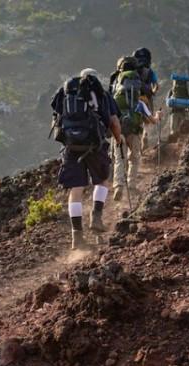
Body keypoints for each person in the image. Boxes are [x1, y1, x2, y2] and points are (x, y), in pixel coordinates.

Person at [51, 69, 123, 250]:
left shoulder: (66, 93)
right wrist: (119, 140)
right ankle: (96, 216)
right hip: (94, 145)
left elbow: (56, 117)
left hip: (71, 147)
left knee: (75, 190)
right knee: (102, 181)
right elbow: (114, 121)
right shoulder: (102, 94)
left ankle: (77, 237)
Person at [111, 56, 158, 202]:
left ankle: (118, 185)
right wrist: (158, 115)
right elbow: (152, 121)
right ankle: (131, 185)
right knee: (135, 158)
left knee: (119, 159)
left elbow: (110, 115)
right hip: (135, 130)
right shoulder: (140, 101)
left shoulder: (115, 95)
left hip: (119, 130)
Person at [133, 48, 161, 155]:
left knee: (135, 120)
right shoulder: (150, 71)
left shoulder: (133, 71)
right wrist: (152, 92)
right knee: (147, 121)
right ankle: (145, 136)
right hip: (147, 99)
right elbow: (156, 85)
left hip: (135, 98)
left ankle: (137, 142)